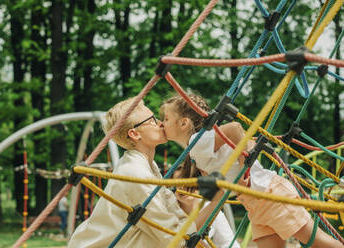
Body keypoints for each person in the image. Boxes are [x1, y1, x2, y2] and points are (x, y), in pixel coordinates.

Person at [160, 93, 343, 248]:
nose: (162, 124)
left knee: (317, 241)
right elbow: (219, 193)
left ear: (184, 123)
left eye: (166, 119)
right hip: (255, 204)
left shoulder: (197, 143)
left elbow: (235, 128)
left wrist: (243, 168)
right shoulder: (196, 152)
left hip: (270, 194)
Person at [68, 97, 224, 248]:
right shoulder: (135, 174)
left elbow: (178, 220)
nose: (161, 123)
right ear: (135, 134)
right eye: (152, 121)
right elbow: (176, 239)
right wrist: (217, 201)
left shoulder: (148, 167)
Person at [173, 164, 241, 248]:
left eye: (188, 182)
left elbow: (229, 243)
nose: (182, 187)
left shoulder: (209, 208)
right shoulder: (171, 210)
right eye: (178, 182)